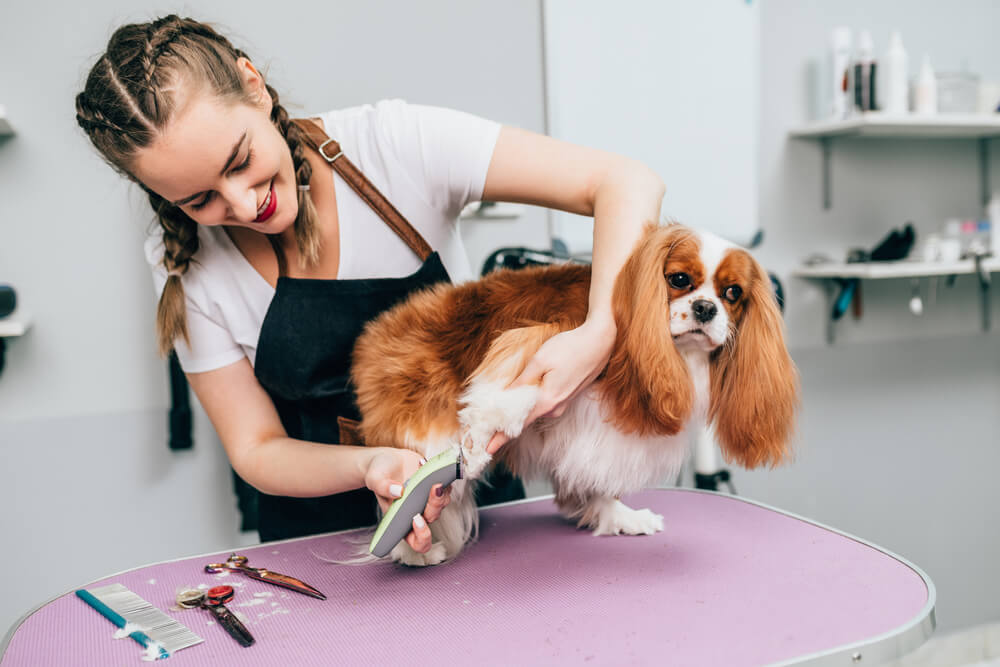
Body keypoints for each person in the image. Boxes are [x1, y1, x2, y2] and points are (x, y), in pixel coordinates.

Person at [75, 15, 665, 550]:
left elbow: (625, 181)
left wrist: (597, 336)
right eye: (199, 198)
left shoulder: (395, 146)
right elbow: (255, 448)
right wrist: (371, 466)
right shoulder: (181, 258)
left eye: (238, 161)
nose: (244, 202)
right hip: (312, 543)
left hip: (484, 517)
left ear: (252, 83)